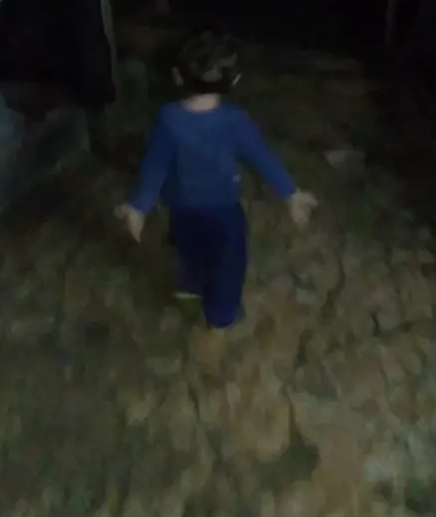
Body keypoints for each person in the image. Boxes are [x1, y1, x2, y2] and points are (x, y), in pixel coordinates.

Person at [115, 29, 317, 329]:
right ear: (234, 81)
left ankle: (191, 284)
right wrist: (290, 193)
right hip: (222, 210)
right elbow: (262, 156)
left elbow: (154, 166)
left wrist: (139, 207)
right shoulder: (235, 121)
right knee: (227, 263)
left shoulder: (168, 118)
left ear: (178, 76)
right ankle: (221, 314)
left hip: (181, 207)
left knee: (189, 247)